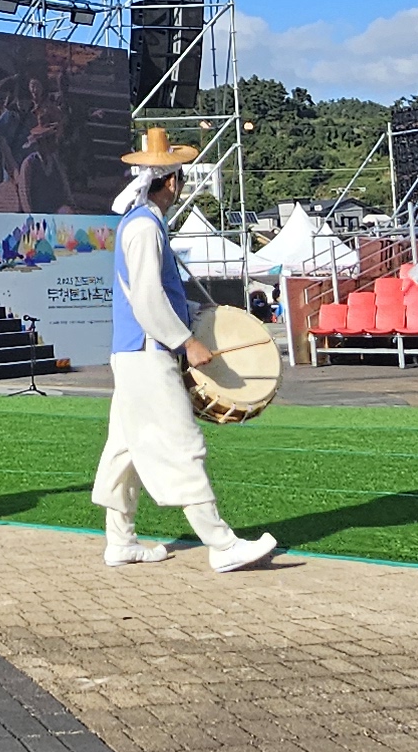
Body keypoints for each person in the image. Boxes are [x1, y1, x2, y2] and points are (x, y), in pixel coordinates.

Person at [91, 129, 279, 573]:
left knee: (125, 451)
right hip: (147, 352)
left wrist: (198, 313)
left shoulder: (144, 223)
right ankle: (222, 544)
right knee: (182, 443)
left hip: (137, 351)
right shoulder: (143, 227)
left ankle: (121, 541)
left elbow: (161, 294)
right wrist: (187, 340)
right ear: (172, 182)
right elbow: (146, 299)